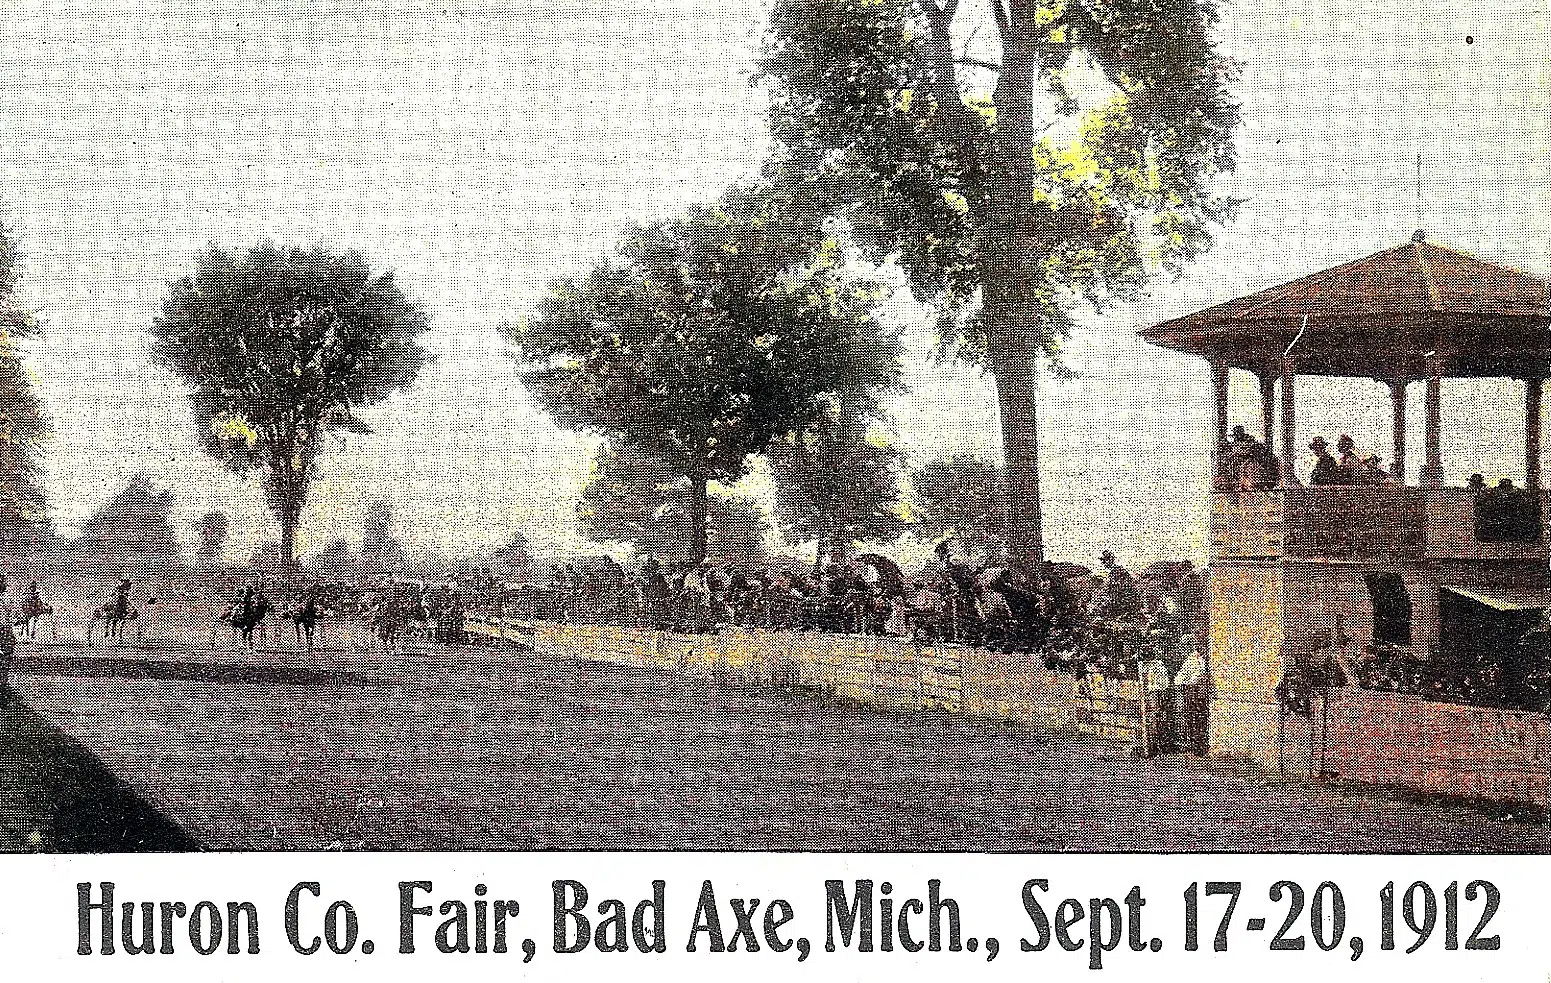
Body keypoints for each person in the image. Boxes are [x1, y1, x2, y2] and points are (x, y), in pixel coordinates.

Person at [1173, 637, 1209, 755]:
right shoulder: (1191, 660)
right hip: (1191, 694)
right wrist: (1187, 683)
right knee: (1192, 719)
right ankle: (1194, 746)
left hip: (1199, 695)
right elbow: (1179, 678)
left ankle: (1198, 746)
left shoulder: (1200, 660)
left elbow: (1199, 675)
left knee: (1198, 719)